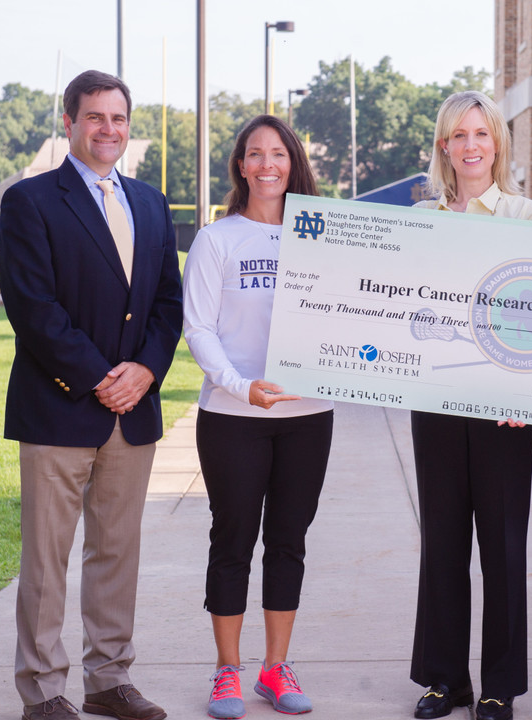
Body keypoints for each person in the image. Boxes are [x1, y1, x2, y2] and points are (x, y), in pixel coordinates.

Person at [0, 70, 182, 720]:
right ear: (70, 122)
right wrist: (103, 375)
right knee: (47, 560)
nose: (109, 129)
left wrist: (147, 372)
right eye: (95, 117)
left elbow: (167, 303)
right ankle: (44, 692)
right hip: (59, 407)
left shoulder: (153, 204)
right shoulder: (31, 201)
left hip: (134, 412)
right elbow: (34, 307)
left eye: (119, 118)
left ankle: (109, 679)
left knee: (116, 552)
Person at [182, 115, 334, 719]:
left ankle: (275, 668)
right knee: (232, 540)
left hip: (308, 414)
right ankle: (227, 672)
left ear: (293, 163)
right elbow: (199, 329)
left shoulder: (324, 239)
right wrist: (242, 388)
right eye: (255, 154)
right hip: (233, 415)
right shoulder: (217, 239)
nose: (267, 164)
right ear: (240, 167)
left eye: (278, 154)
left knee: (289, 542)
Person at [409, 90, 532, 720]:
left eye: (481, 134)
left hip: (503, 410)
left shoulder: (525, 215)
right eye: (458, 136)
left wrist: (526, 395)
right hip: (436, 401)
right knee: (441, 543)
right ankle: (444, 680)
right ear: (444, 146)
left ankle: (499, 686)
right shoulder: (422, 219)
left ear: (498, 143)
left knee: (502, 546)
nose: (470, 146)